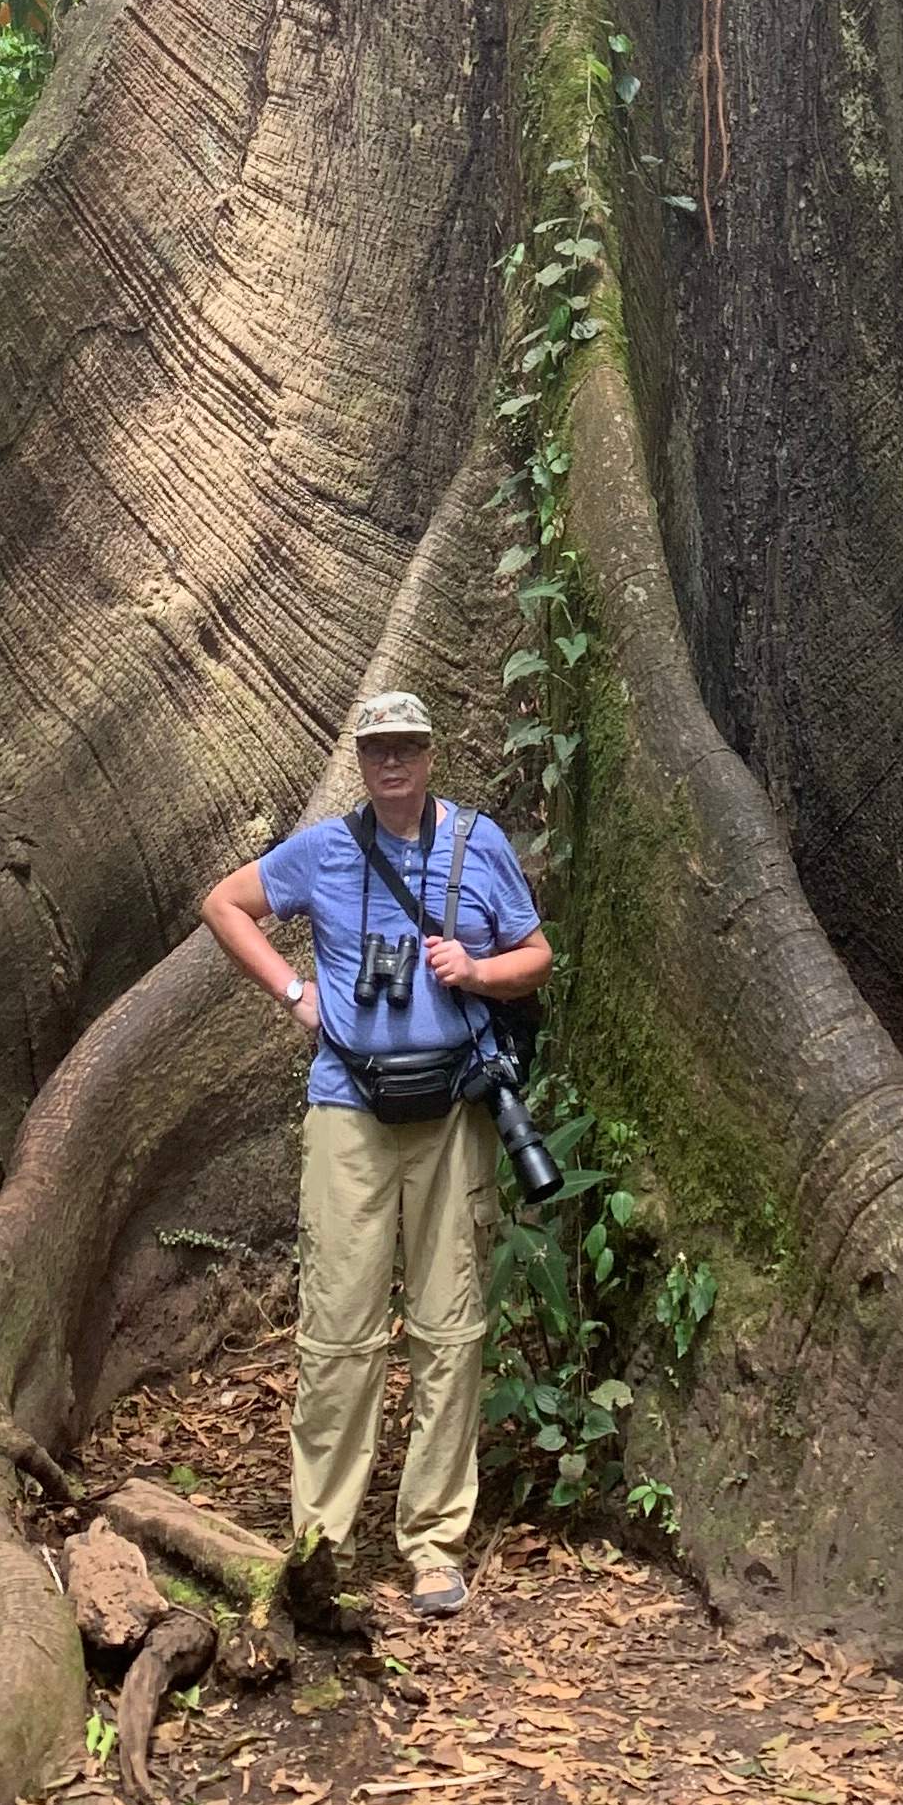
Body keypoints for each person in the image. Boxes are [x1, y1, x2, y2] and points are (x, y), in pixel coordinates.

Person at [198, 689, 552, 1616]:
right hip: (349, 1110)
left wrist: (476, 971)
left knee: (449, 1326)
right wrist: (294, 993)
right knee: (339, 1331)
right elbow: (225, 903)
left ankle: (434, 1542)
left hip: (450, 1116)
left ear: (430, 754)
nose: (391, 762)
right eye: (376, 750)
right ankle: (321, 1540)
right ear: (359, 760)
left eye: (406, 747)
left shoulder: (480, 846)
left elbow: (537, 956)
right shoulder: (323, 849)